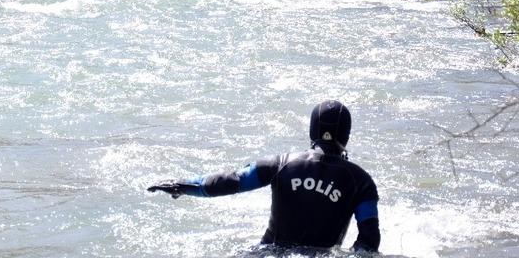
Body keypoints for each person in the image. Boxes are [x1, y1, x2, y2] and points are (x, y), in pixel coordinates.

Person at [147, 100, 380, 253]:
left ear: (312, 130)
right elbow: (368, 242)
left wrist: (181, 185)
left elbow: (230, 181)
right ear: (346, 135)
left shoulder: (280, 164)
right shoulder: (361, 182)